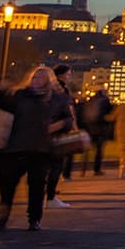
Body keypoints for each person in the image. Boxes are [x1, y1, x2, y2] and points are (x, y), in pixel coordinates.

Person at [0, 66, 74, 231]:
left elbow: (68, 120)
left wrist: (59, 125)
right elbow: (5, 104)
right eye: (34, 78)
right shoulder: (22, 95)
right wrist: (3, 90)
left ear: (48, 80)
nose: (35, 81)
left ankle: (34, 219)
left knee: (36, 187)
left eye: (40, 78)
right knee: (6, 185)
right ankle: (1, 219)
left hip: (41, 149)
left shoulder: (57, 98)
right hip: (17, 147)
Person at [45, 64, 78, 208]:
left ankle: (47, 194)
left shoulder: (49, 88)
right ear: (61, 74)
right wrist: (72, 126)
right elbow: (67, 110)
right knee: (56, 165)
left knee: (49, 165)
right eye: (68, 74)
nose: (70, 76)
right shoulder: (61, 90)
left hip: (48, 131)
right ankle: (50, 197)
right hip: (56, 131)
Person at [78, 88, 114, 176]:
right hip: (100, 128)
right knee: (98, 150)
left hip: (89, 128)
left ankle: (83, 170)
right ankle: (96, 170)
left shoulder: (91, 100)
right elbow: (110, 114)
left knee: (86, 151)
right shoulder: (105, 101)